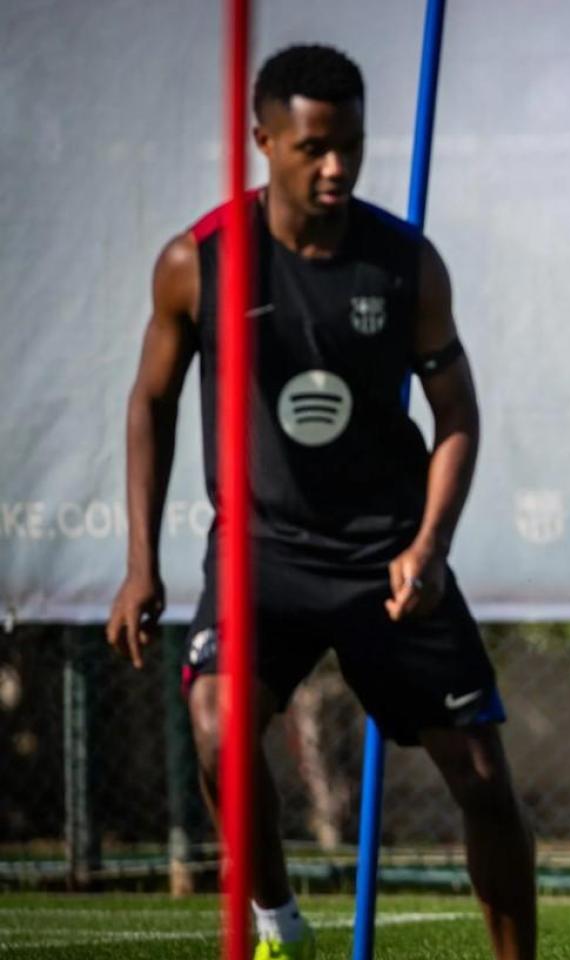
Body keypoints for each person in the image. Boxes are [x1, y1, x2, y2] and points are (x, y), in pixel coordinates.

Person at [104, 45, 536, 960]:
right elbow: (151, 400)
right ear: (265, 140)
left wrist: (431, 542)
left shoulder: (404, 262)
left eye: (351, 145)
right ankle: (280, 930)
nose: (335, 165)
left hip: (387, 552)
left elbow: (457, 413)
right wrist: (141, 564)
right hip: (263, 551)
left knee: (484, 778)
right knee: (219, 722)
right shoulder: (200, 260)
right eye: (313, 148)